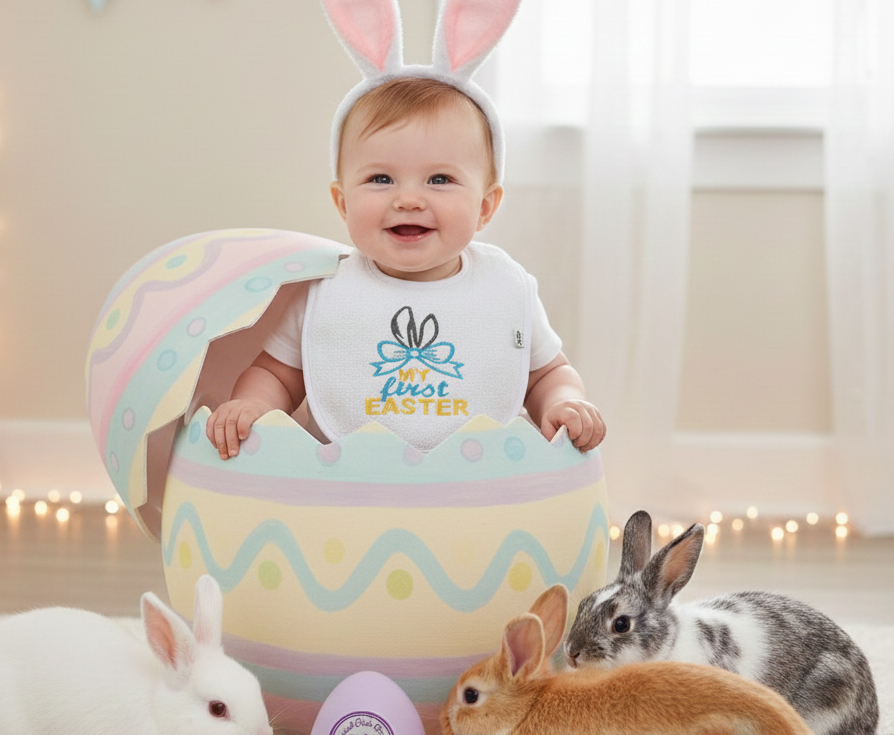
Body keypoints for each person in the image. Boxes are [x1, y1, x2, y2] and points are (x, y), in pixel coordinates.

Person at [206, 75, 606, 460]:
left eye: (439, 179)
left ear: (485, 206)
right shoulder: (326, 288)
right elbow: (278, 374)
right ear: (343, 203)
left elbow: (544, 374)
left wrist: (563, 401)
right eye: (381, 178)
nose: (409, 199)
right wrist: (252, 405)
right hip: (344, 490)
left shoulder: (505, 287)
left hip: (481, 490)